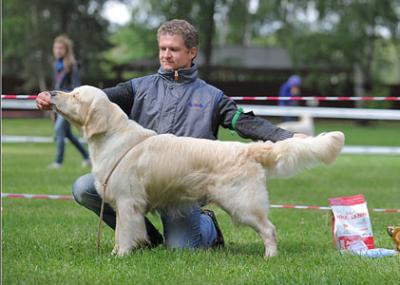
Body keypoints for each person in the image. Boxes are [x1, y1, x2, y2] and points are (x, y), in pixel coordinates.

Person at [37, 20, 303, 249]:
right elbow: (94, 99)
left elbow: (243, 122)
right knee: (85, 188)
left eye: (173, 49)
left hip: (184, 188)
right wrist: (55, 99)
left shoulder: (211, 96)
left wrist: (286, 137)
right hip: (140, 181)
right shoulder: (138, 87)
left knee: (183, 249)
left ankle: (207, 225)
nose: (166, 55)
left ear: (192, 52)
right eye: (162, 48)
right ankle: (145, 239)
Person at [48, 35, 91, 169]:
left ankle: (58, 162)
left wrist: (66, 97)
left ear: (66, 50)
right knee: (68, 135)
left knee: (59, 129)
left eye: (60, 48)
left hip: (67, 103)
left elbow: (76, 86)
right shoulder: (57, 65)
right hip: (57, 103)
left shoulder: (72, 65)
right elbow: (56, 86)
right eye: (55, 47)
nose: (57, 50)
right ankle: (87, 157)